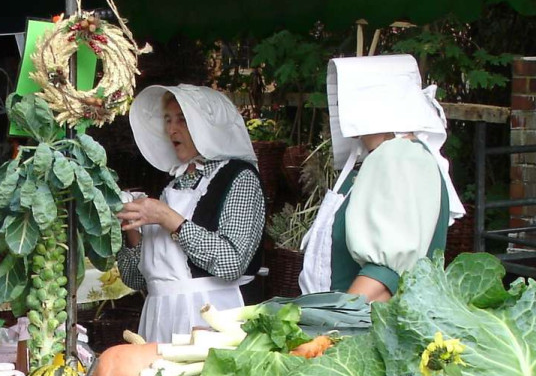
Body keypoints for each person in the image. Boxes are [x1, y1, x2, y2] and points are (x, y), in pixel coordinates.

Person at [298, 54, 464, 300]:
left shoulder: (401, 158)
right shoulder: (385, 156)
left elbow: (384, 277)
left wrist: (332, 327)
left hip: (362, 330)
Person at [115, 85, 265, 343]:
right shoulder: (172, 184)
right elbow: (135, 279)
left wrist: (167, 218)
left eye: (182, 120)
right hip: (159, 318)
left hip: (212, 318)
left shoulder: (239, 178)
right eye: (168, 120)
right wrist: (132, 230)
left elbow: (232, 263)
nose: (172, 129)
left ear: (206, 125)